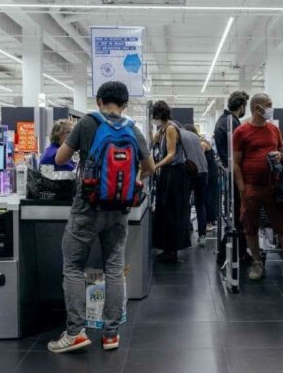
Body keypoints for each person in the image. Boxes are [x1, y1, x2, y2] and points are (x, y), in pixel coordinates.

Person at [47, 81, 155, 354]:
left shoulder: (86, 123)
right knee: (114, 269)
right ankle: (111, 334)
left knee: (72, 266)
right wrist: (131, 183)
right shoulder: (133, 129)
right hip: (119, 209)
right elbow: (150, 167)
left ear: (98, 100)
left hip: (87, 206)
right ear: (125, 104)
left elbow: (60, 158)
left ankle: (75, 333)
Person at [232, 93, 283, 282]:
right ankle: (257, 263)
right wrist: (242, 190)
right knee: (250, 226)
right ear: (257, 108)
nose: (272, 108)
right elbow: (236, 163)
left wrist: (280, 157)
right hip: (251, 188)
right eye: (269, 105)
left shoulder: (274, 130)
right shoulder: (241, 131)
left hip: (274, 187)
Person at [152, 101, 192, 262]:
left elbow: (170, 154)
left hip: (175, 174)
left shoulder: (170, 128)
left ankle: (171, 250)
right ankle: (169, 248)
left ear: (159, 115)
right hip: (170, 173)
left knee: (171, 211)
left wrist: (155, 166)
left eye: (155, 117)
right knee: (166, 210)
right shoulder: (165, 128)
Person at [214, 91, 250, 262]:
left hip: (231, 174)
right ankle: (230, 254)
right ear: (242, 106)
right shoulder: (232, 123)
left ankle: (238, 252)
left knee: (237, 217)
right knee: (239, 217)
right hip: (236, 175)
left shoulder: (225, 120)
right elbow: (237, 153)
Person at [184, 124, 212, 247]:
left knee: (186, 203)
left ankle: (187, 229)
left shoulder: (186, 141)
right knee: (200, 205)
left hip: (191, 172)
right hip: (204, 173)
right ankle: (202, 236)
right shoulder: (199, 141)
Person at [214, 90, 249, 167]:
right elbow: (239, 147)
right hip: (234, 167)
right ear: (242, 107)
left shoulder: (222, 119)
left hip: (229, 165)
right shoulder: (232, 122)